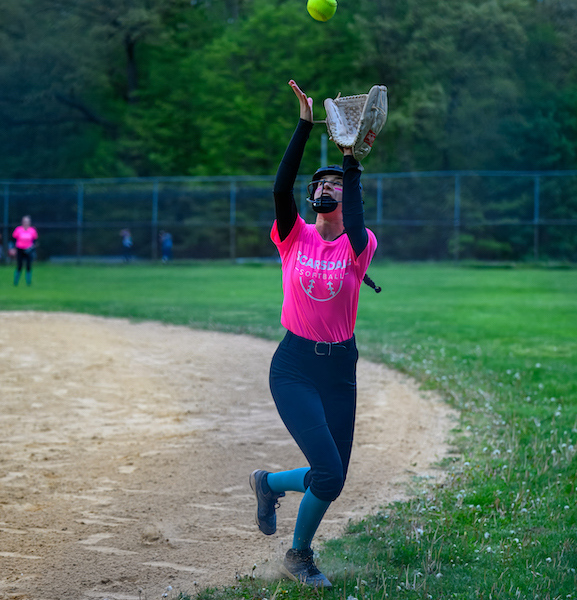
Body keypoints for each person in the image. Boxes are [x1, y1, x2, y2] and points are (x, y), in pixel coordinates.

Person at [249, 80, 378, 588]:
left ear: (348, 198)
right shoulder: (293, 236)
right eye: (320, 184)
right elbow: (280, 189)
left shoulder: (358, 244)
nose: (324, 188)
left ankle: (268, 484)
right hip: (296, 366)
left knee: (332, 479)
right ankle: (299, 557)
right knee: (326, 470)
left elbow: (361, 218)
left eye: (335, 185)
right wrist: (304, 126)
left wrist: (351, 161)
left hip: (339, 369)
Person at [12, 215, 38, 286]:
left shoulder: (32, 230)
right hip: (20, 249)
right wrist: (13, 249)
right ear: (22, 222)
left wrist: (32, 247)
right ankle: (16, 282)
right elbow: (14, 240)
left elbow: (35, 241)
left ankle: (28, 283)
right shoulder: (18, 229)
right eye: (24, 221)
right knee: (19, 266)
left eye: (27, 221)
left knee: (28, 266)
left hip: (28, 250)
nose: (26, 223)